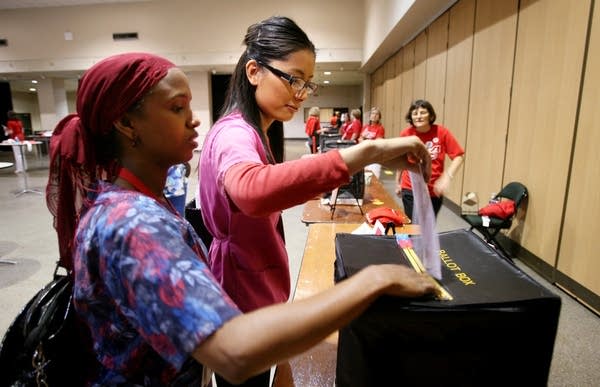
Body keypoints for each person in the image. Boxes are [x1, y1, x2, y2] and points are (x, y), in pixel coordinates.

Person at [45, 51, 435, 386]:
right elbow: (233, 351)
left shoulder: (138, 202)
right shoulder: (133, 223)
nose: (194, 119)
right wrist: (371, 281)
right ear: (127, 124)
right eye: (177, 108)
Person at [199, 16, 433, 386]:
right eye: (293, 79)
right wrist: (366, 152)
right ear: (254, 71)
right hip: (241, 287)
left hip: (251, 278)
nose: (302, 93)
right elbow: (252, 190)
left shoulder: (253, 129)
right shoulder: (234, 132)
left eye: (307, 84)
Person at [396, 99, 465, 221]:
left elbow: (458, 157)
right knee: (414, 226)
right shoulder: (406, 134)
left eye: (423, 112)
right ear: (410, 117)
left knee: (428, 226)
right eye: (415, 113)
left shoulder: (442, 132)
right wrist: (398, 183)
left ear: (431, 116)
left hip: (434, 189)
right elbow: (401, 160)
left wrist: (446, 177)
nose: (418, 116)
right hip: (410, 187)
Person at [359, 107, 386, 178]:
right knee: (364, 178)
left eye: (377, 114)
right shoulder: (365, 127)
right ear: (370, 116)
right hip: (364, 155)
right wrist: (367, 141)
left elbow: (377, 143)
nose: (374, 115)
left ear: (379, 117)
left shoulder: (380, 128)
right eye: (373, 114)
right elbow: (360, 139)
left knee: (374, 178)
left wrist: (364, 141)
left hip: (375, 157)